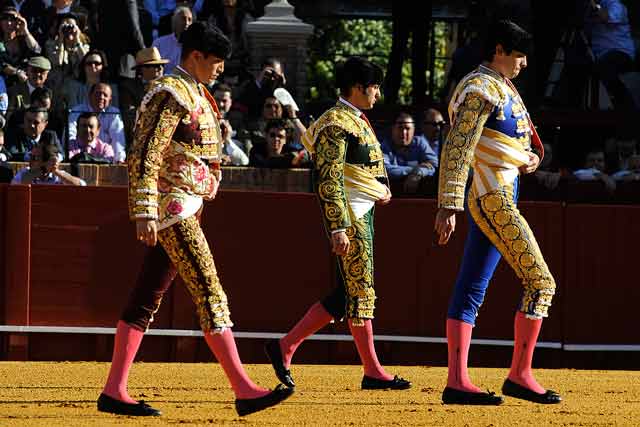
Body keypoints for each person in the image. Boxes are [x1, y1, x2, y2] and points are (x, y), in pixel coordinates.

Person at [97, 22, 293, 418]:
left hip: (188, 203)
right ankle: (243, 387)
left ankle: (115, 389)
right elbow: (144, 154)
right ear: (196, 57)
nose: (220, 69)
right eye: (216, 61)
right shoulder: (170, 93)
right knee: (209, 289)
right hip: (171, 208)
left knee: (146, 297)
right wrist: (144, 210)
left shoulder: (196, 93)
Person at [264, 56, 411, 392]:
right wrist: (338, 227)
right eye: (374, 87)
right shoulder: (337, 123)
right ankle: (372, 370)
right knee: (359, 291)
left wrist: (378, 190)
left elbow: (355, 172)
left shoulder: (352, 119)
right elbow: (328, 179)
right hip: (350, 216)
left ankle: (285, 347)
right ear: (358, 88)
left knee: (347, 294)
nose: (377, 93)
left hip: (362, 211)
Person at [434, 20, 561, 405]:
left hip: (500, 189)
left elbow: (508, 140)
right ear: (501, 51)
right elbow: (457, 146)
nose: (523, 63)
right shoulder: (481, 89)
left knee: (472, 284)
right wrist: (447, 205)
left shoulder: (497, 86)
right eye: (519, 55)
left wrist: (530, 158)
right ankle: (519, 375)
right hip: (493, 197)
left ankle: (458, 381)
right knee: (541, 282)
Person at [588, 0, 636, 109]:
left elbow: (606, 17)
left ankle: (627, 106)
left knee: (604, 66)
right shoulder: (590, 11)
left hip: (621, 53)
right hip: (600, 55)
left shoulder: (616, 5)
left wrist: (594, 5)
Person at [67, 82, 126, 163]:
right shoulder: (77, 110)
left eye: (105, 95)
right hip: (78, 153)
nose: (101, 97)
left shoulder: (114, 113)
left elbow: (118, 139)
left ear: (110, 99)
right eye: (98, 93)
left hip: (103, 155)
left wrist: (119, 159)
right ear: (90, 96)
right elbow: (71, 133)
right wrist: (73, 149)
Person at [380, 111, 437, 193]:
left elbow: (434, 164)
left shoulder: (419, 142)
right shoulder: (384, 145)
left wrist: (418, 173)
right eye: (400, 128)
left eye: (407, 128)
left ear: (413, 130)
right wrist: (416, 171)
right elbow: (384, 169)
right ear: (393, 129)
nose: (404, 132)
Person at [11, 137, 85, 185]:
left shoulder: (58, 175)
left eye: (35, 158)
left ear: (46, 161)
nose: (30, 161)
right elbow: (16, 184)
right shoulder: (25, 172)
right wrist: (44, 169)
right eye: (30, 157)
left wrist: (55, 171)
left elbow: (81, 185)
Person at [151, 5, 192, 74]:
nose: (186, 23)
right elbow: (151, 71)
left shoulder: (194, 47)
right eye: (183, 18)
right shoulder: (159, 43)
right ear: (174, 21)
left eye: (189, 20)